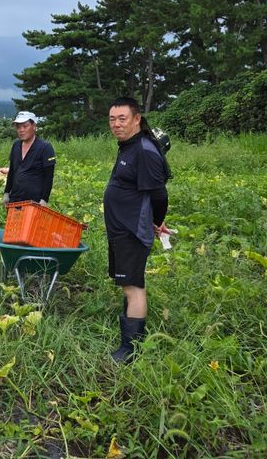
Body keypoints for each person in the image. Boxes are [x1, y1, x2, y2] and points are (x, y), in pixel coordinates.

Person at [103, 97, 171, 363]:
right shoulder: (128, 146)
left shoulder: (143, 150)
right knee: (128, 284)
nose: (116, 124)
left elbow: (159, 194)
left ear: (137, 119)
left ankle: (130, 350)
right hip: (122, 228)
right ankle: (130, 332)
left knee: (134, 286)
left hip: (132, 229)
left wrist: (157, 222)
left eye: (122, 118)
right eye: (112, 119)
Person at [2, 111, 56, 206]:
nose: (21, 130)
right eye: (18, 127)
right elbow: (12, 171)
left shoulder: (45, 147)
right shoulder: (16, 145)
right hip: (15, 199)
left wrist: (44, 199)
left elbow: (49, 176)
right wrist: (6, 192)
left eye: (25, 126)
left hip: (34, 202)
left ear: (34, 126)